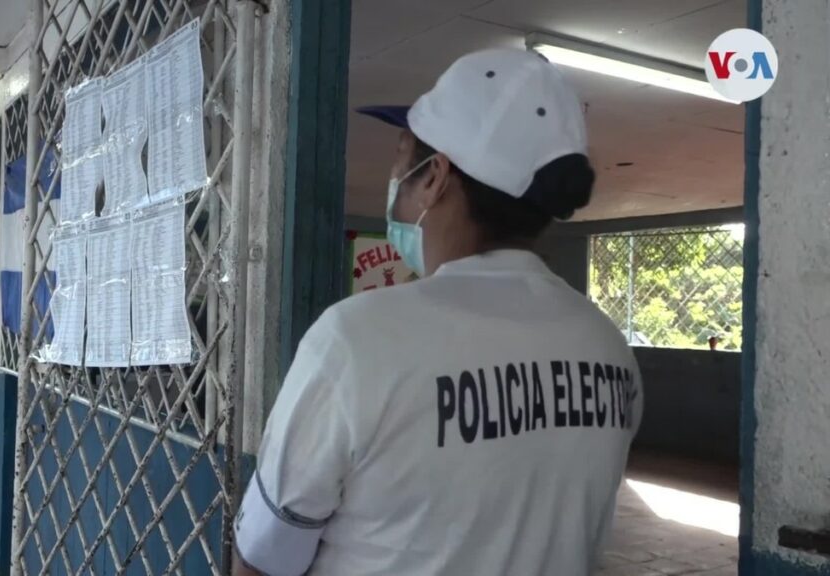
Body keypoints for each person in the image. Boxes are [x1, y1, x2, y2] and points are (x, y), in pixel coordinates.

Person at [233, 49, 643, 576]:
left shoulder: (358, 339)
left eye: (403, 159)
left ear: (434, 177)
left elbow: (261, 563)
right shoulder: (607, 347)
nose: (395, 179)